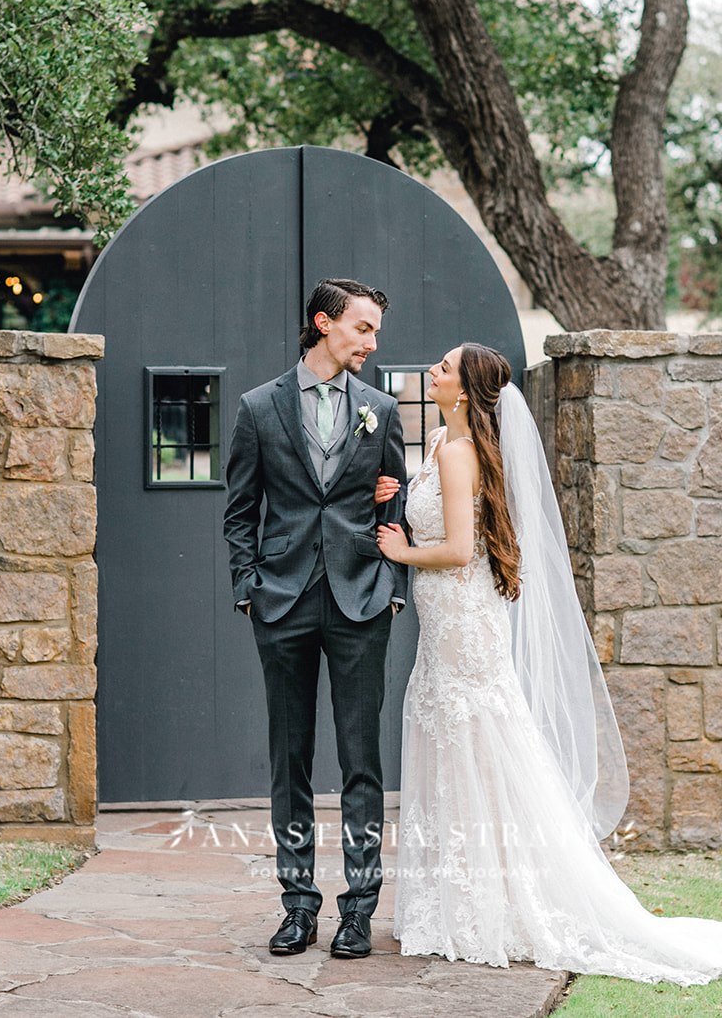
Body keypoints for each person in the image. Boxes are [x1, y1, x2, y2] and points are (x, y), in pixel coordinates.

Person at [375, 342, 722, 987]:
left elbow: (462, 549)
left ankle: (496, 904)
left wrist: (403, 554)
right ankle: (452, 902)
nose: (431, 371)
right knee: (449, 740)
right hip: (444, 623)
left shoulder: (461, 453)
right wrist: (398, 492)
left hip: (465, 619)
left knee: (480, 743)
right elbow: (439, 508)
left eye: (443, 368)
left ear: (464, 391)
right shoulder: (439, 443)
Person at [222, 278, 410, 961]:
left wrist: (392, 583)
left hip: (362, 600)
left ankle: (358, 908)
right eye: (363, 328)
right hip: (283, 601)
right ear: (323, 324)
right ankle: (297, 903)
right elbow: (240, 510)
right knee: (289, 758)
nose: (372, 341)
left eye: (375, 330)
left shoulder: (381, 409)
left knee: (363, 761)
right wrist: (248, 587)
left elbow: (396, 505)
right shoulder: (257, 408)